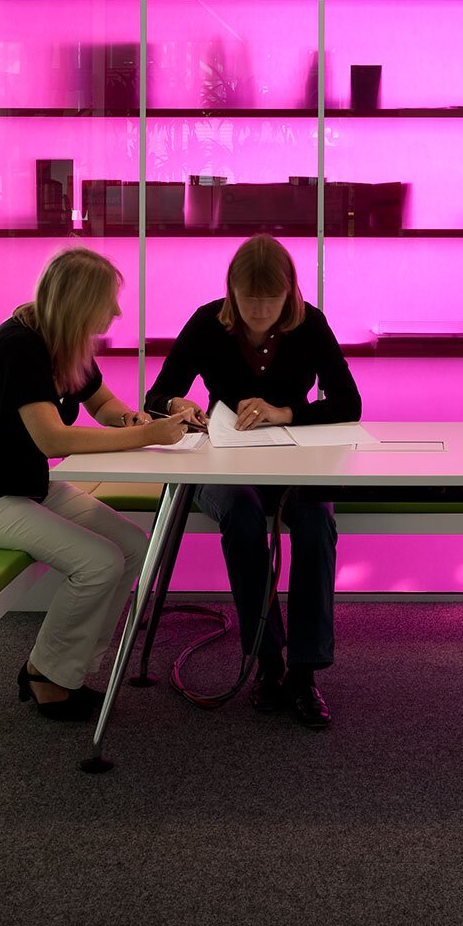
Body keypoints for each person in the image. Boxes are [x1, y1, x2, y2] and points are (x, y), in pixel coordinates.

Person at [0, 247, 191, 721]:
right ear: (81, 304)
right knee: (99, 562)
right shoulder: (20, 347)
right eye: (108, 301)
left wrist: (131, 419)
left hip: (21, 486)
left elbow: (103, 405)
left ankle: (71, 669)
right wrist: (146, 435)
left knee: (133, 545)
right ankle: (46, 675)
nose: (117, 311)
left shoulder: (66, 343)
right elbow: (52, 439)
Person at [144, 234, 361, 729]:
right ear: (231, 293)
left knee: (316, 521)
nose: (260, 313)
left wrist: (285, 412)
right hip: (223, 465)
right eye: (249, 302)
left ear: (290, 294)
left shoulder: (310, 323)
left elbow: (349, 403)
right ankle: (267, 661)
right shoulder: (207, 323)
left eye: (271, 301)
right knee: (241, 515)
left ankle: (304, 671)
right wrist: (178, 405)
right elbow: (158, 396)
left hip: (296, 464)